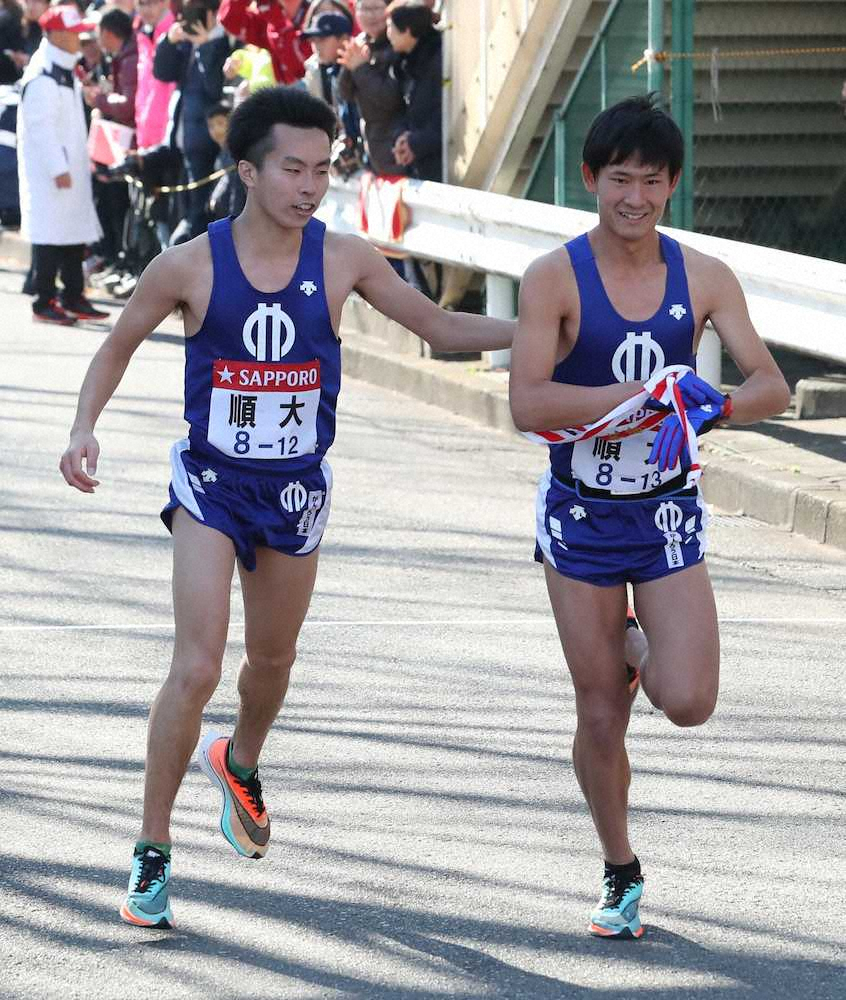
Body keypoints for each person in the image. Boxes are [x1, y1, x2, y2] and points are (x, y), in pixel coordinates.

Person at [59, 83, 514, 930]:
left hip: (297, 493)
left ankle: (240, 759)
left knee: (271, 664)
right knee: (196, 666)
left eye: (323, 170)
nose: (310, 186)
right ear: (248, 171)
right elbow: (117, 345)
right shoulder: (189, 263)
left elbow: (441, 331)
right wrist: (84, 427)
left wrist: (550, 333)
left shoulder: (343, 260)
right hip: (211, 486)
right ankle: (152, 849)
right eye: (293, 169)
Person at [508, 95, 790, 940]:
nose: (635, 197)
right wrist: (634, 401)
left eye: (653, 182)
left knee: (688, 698)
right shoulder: (553, 276)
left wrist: (714, 409)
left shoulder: (703, 275)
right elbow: (527, 400)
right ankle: (620, 870)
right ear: (591, 178)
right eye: (620, 179)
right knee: (601, 712)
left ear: (673, 186)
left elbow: (773, 383)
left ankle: (637, 643)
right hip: (581, 515)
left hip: (665, 514)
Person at [18, 4, 106, 323]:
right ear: (54, 35)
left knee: (72, 232)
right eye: (73, 34)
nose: (79, 40)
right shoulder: (42, 74)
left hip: (71, 167)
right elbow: (40, 128)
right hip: (54, 173)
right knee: (50, 236)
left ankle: (73, 294)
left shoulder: (64, 68)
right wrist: (58, 167)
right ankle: (43, 300)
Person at [337, 0, 405, 177]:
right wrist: (350, 65)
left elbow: (390, 99)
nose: (370, 15)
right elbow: (345, 93)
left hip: (399, 149)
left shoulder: (398, 44)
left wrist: (360, 68)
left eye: (376, 8)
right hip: (373, 148)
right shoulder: (362, 43)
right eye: (364, 8)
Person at [385, 0, 440, 182]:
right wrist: (401, 137)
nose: (388, 34)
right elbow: (401, 108)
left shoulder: (438, 60)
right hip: (419, 160)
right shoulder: (404, 64)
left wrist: (416, 143)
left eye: (391, 27)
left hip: (439, 160)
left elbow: (441, 113)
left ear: (407, 30)